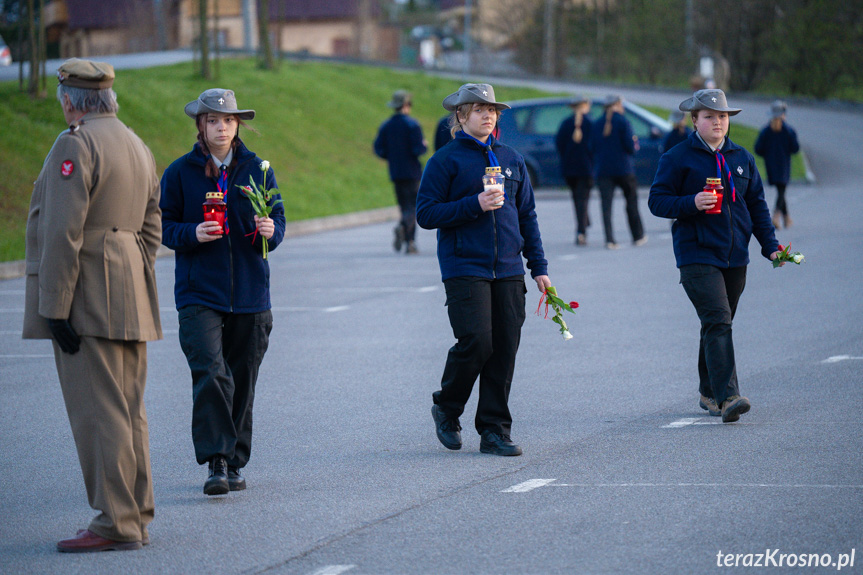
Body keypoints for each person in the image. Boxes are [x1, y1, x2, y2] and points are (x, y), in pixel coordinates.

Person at [22, 58, 162, 552]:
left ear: (69, 100)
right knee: (128, 409)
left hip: (87, 291)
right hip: (128, 286)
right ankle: (136, 515)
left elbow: (63, 231)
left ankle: (115, 523)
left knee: (98, 411)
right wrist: (131, 269)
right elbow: (151, 226)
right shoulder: (136, 144)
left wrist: (55, 306)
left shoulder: (75, 144)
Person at [160, 89, 286, 495]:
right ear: (200, 125)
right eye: (212, 120)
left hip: (251, 293)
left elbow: (278, 216)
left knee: (243, 379)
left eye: (228, 120)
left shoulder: (258, 169)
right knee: (212, 373)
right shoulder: (180, 172)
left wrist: (273, 230)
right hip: (200, 293)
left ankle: (235, 461)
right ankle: (216, 460)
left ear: (237, 125)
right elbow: (162, 226)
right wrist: (191, 233)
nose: (221, 127)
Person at [416, 83, 551, 456]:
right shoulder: (444, 161)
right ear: (460, 116)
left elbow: (527, 216)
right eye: (478, 109)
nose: (487, 115)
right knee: (477, 341)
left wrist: (538, 266)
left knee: (504, 348)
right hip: (464, 267)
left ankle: (494, 431)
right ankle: (447, 405)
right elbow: (426, 214)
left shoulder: (512, 159)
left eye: (492, 109)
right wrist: (474, 203)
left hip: (508, 269)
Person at [648, 89, 783, 423]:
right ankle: (728, 397)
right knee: (719, 320)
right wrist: (690, 203)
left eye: (722, 116)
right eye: (709, 116)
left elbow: (757, 207)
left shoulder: (742, 158)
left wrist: (771, 247)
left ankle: (708, 392)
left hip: (735, 256)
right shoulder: (677, 157)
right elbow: (657, 201)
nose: (717, 122)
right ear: (695, 121)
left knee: (717, 323)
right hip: (696, 254)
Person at [374, 90, 428, 254]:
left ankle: (407, 238)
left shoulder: (386, 125)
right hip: (412, 172)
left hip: (396, 172)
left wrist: (390, 155)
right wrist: (424, 145)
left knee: (404, 205)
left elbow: (378, 149)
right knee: (414, 207)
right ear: (406, 105)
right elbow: (418, 149)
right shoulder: (412, 125)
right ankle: (407, 237)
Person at [594, 95, 647, 249]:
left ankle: (610, 239)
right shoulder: (624, 122)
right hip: (624, 169)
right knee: (631, 202)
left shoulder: (597, 124)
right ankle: (637, 235)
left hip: (604, 170)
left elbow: (593, 147)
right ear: (617, 105)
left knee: (606, 206)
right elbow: (631, 147)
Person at [555, 95, 595, 246]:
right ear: (585, 106)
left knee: (577, 200)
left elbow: (559, 144)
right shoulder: (591, 124)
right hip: (586, 168)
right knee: (583, 200)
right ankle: (581, 232)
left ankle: (583, 224)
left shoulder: (565, 123)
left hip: (569, 169)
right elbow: (595, 146)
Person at [755, 100, 800, 229]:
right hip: (784, 164)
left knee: (781, 190)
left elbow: (758, 148)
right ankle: (776, 216)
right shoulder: (789, 130)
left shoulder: (765, 131)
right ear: (783, 114)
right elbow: (795, 148)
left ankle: (787, 218)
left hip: (771, 165)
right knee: (782, 190)